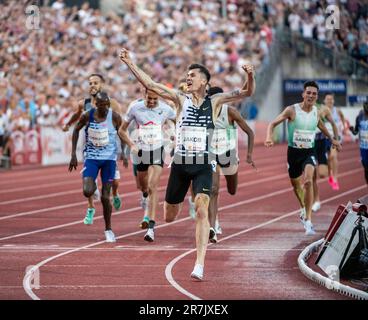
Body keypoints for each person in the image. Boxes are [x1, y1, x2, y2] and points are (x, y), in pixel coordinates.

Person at [119, 47, 255, 280]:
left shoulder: (216, 101)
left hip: (204, 163)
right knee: (169, 215)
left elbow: (246, 92)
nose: (187, 78)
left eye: (192, 75)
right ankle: (174, 204)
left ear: (204, 80)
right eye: (187, 75)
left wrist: (250, 75)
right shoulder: (179, 99)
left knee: (202, 208)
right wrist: (129, 62)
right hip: (180, 165)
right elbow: (151, 84)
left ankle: (199, 264)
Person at [265, 81, 341, 235]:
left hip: (309, 152)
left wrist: (332, 139)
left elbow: (321, 126)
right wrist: (268, 137)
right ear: (303, 94)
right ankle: (303, 209)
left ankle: (308, 221)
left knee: (308, 181)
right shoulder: (291, 110)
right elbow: (272, 124)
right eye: (308, 92)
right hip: (293, 153)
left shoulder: (316, 112)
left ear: (317, 96)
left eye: (314, 93)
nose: (311, 95)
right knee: (296, 186)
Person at [63, 74, 127, 224]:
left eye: (96, 83)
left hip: (109, 150)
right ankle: (91, 208)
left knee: (115, 183)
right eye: (90, 83)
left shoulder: (112, 104)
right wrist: (68, 124)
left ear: (102, 85)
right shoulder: (83, 103)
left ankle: (115, 193)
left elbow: (121, 125)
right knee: (88, 185)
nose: (92, 85)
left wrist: (123, 148)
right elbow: (77, 116)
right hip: (91, 151)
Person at [118, 89, 176, 242]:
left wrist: (174, 135)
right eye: (149, 99)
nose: (151, 102)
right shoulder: (135, 107)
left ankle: (151, 227)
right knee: (143, 187)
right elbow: (122, 130)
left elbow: (179, 122)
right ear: (144, 96)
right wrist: (131, 145)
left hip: (157, 150)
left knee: (152, 186)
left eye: (154, 99)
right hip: (140, 152)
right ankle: (144, 196)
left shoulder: (165, 109)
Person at [69, 91, 125, 242]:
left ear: (108, 104)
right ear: (96, 104)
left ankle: (108, 230)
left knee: (106, 197)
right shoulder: (88, 115)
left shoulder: (114, 117)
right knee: (87, 191)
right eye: (100, 105)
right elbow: (76, 130)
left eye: (105, 105)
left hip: (109, 160)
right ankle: (94, 194)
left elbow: (122, 133)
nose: (103, 107)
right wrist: (73, 154)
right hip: (92, 159)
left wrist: (124, 153)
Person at [208, 86, 256, 243]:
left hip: (228, 154)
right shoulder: (205, 112)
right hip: (212, 154)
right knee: (213, 189)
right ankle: (213, 227)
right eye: (211, 100)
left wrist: (249, 155)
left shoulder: (230, 112)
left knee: (232, 189)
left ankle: (215, 220)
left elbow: (249, 132)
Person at [311, 102, 339, 212]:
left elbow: (333, 124)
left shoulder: (324, 109)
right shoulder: (301, 110)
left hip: (321, 143)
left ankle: (330, 171)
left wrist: (336, 140)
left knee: (322, 174)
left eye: (314, 94)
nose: (311, 96)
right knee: (311, 174)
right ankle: (316, 200)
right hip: (310, 143)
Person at [324, 93, 346, 190]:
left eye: (331, 99)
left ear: (333, 100)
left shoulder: (337, 110)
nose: (329, 101)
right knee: (328, 159)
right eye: (328, 99)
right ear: (324, 100)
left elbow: (342, 117)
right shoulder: (322, 111)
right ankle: (330, 174)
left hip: (336, 138)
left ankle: (335, 179)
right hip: (325, 138)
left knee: (333, 156)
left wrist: (343, 127)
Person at [350, 102, 368, 186]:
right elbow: (355, 132)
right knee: (366, 168)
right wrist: (352, 130)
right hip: (363, 147)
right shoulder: (359, 117)